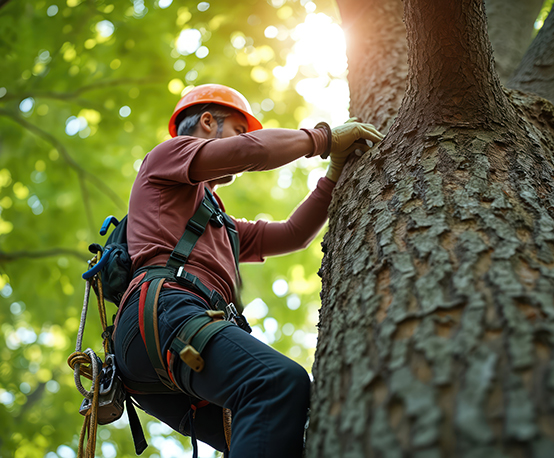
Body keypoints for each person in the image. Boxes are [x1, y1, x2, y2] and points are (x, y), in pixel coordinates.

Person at [112, 84, 383, 457]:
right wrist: (322, 139)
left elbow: (293, 234)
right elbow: (249, 152)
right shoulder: (166, 156)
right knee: (276, 383)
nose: (246, 137)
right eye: (240, 128)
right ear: (207, 121)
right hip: (165, 312)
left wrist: (333, 177)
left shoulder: (220, 224)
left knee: (285, 434)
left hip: (154, 349)